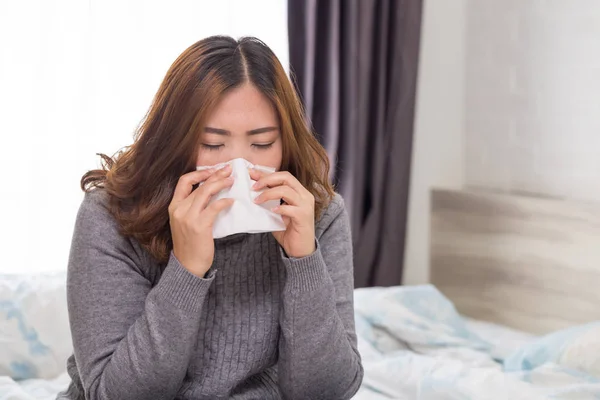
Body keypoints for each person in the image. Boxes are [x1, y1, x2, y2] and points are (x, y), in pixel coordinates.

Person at [58, 35, 363, 400]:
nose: (237, 166)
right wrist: (186, 269)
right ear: (174, 140)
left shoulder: (318, 214)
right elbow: (115, 394)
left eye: (263, 143)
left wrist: (304, 262)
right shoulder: (110, 215)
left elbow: (329, 391)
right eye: (213, 144)